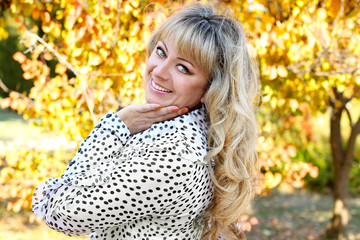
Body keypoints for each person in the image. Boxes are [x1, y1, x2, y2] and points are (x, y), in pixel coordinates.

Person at [32, 2, 259, 240]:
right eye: (161, 52)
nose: (159, 71)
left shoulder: (173, 155)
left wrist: (114, 126)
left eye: (183, 68)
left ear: (210, 89)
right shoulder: (187, 129)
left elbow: (62, 213)